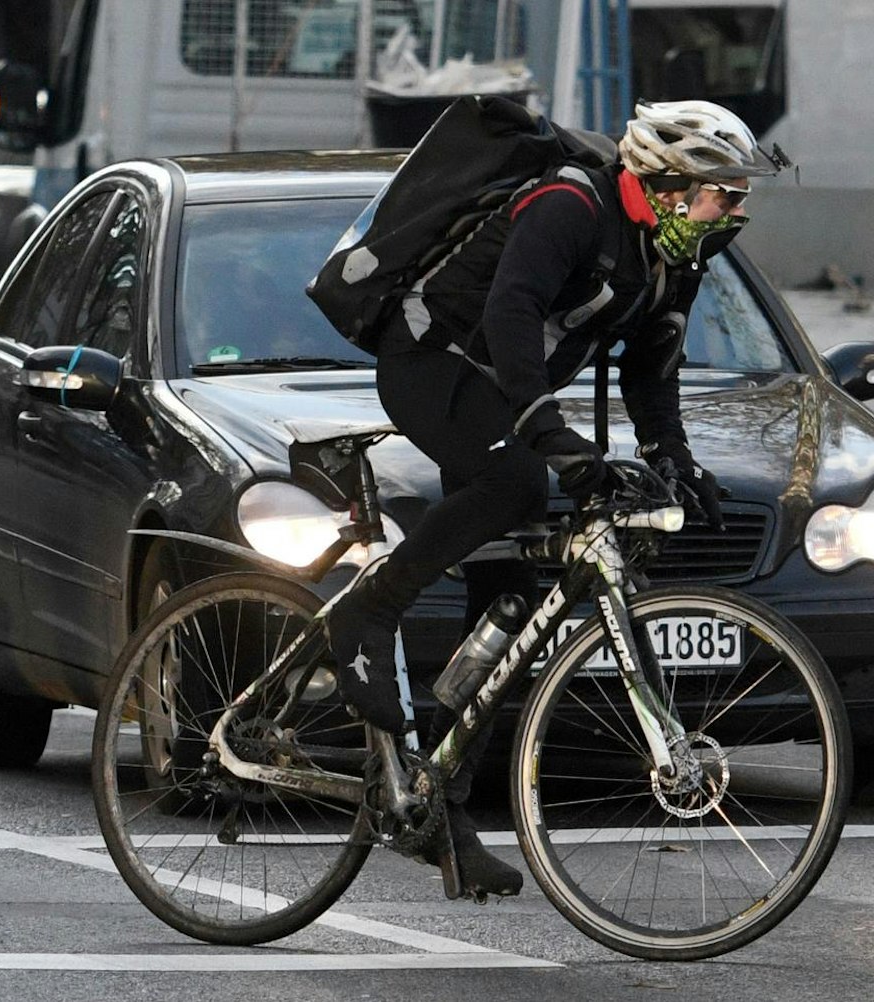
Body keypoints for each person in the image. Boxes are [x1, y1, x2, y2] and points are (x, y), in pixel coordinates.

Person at [328, 100, 785, 897]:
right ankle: (367, 610)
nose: (737, 210)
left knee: (507, 614)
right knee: (514, 482)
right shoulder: (571, 204)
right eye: (726, 193)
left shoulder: (677, 251)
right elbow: (511, 311)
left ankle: (440, 806)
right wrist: (547, 430)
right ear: (672, 184)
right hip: (431, 357)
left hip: (497, 388)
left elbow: (653, 366)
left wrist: (673, 458)